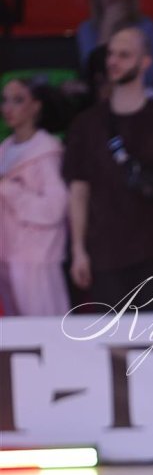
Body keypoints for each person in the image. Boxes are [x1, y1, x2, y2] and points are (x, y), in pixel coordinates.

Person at [64, 24, 153, 312]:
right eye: (111, 54)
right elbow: (78, 191)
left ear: (145, 62)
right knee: (109, 335)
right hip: (103, 252)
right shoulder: (86, 124)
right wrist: (78, 250)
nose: (114, 61)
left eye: (124, 55)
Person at [0, 78, 69, 316]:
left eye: (18, 100)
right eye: (5, 100)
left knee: (45, 330)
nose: (8, 108)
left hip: (37, 257)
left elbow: (54, 209)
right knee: (18, 332)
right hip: (8, 255)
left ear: (36, 106)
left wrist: (10, 189)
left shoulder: (46, 152)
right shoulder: (5, 149)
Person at [77, 0, 153, 93]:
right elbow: (93, 76)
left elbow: (149, 75)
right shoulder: (86, 29)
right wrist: (106, 29)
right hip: (103, 97)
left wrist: (114, 81)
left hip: (143, 93)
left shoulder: (146, 26)